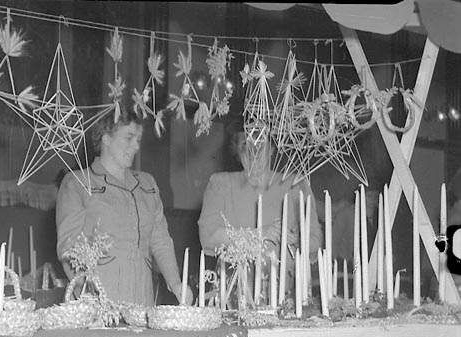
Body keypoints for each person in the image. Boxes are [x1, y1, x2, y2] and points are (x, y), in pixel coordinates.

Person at [55, 110, 190, 306]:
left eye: (138, 139)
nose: (136, 146)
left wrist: (176, 284)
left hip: (142, 300)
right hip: (99, 302)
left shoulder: (147, 184)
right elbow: (69, 250)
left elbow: (161, 240)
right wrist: (88, 296)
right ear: (106, 137)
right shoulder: (77, 183)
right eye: (129, 138)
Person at [198, 131, 323, 296]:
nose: (253, 150)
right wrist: (259, 234)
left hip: (286, 295)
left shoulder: (296, 185)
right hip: (234, 293)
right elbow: (208, 236)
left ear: (272, 148)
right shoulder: (220, 184)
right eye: (245, 144)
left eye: (260, 143)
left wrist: (299, 240)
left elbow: (316, 241)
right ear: (236, 150)